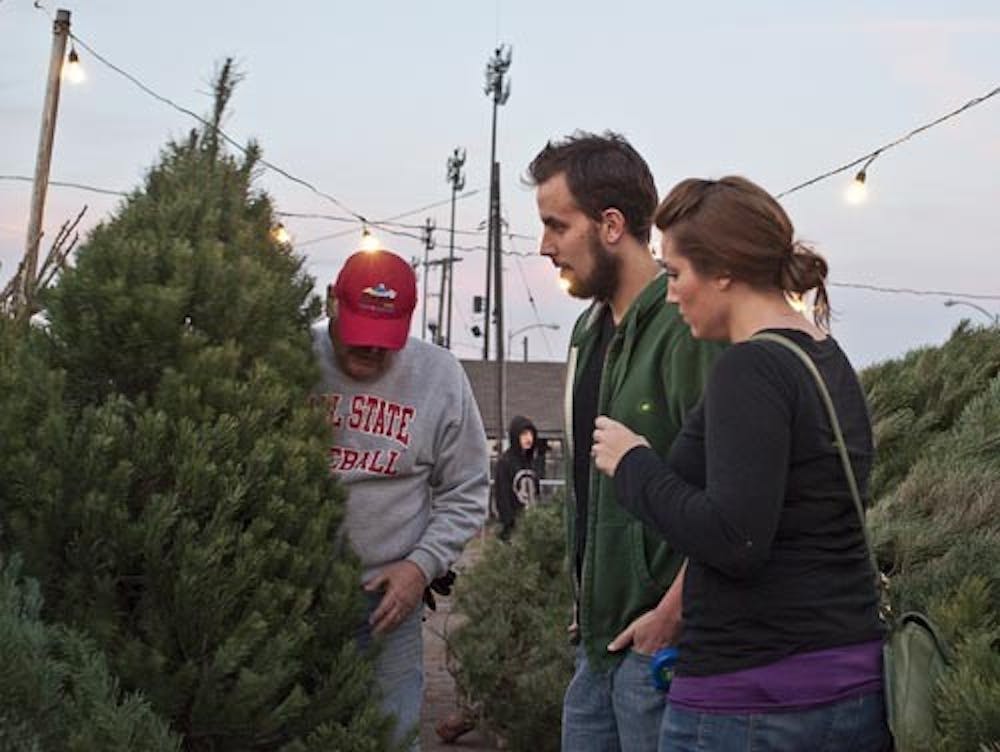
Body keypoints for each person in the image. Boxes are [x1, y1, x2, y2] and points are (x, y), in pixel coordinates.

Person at [591, 176, 890, 751]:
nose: (671, 293)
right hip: (849, 686)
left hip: (753, 699)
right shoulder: (825, 358)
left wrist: (632, 464)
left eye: (676, 273)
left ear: (723, 270)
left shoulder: (748, 370)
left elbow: (734, 538)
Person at [527, 131, 721, 752]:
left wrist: (673, 614)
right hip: (595, 649)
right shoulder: (586, 331)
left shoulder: (685, 325)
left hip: (662, 656)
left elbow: (735, 494)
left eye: (557, 225)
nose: (545, 246)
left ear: (611, 224)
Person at [311, 248, 489, 751]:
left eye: (384, 343)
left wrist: (420, 567)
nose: (370, 354)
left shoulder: (440, 376)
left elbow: (468, 489)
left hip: (388, 601)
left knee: (389, 738)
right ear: (332, 305)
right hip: (294, 595)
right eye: (360, 339)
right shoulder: (292, 358)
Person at [494, 414, 542, 540]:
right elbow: (502, 495)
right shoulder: (505, 462)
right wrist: (509, 524)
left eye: (531, 434)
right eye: (524, 434)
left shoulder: (532, 463)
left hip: (533, 525)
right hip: (513, 528)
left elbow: (537, 493)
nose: (528, 438)